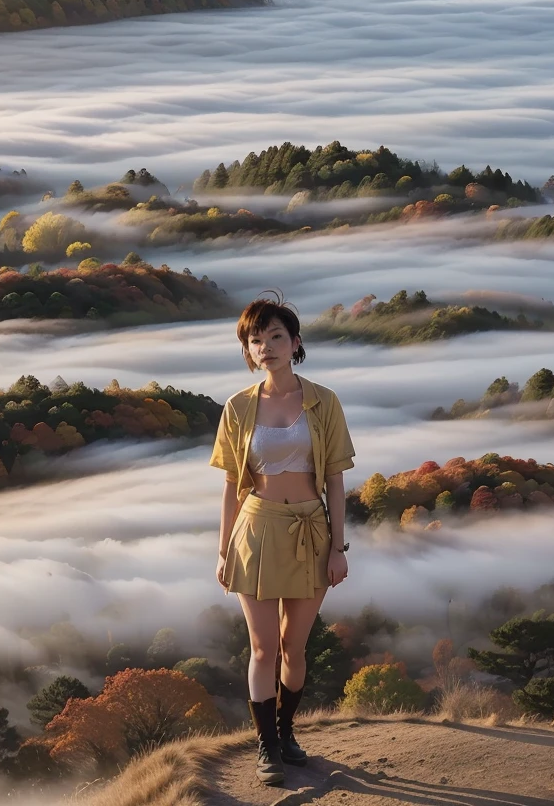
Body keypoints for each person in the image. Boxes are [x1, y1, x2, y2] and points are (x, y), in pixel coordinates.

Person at [210, 292, 355, 787]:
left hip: (312, 531)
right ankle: (267, 749)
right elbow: (231, 484)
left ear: (295, 343)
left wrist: (338, 547)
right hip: (256, 530)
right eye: (256, 339)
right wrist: (224, 549)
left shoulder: (323, 401)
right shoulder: (237, 407)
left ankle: (286, 732)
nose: (266, 346)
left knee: (295, 647)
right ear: (247, 351)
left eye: (276, 336)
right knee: (262, 647)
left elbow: (335, 479)